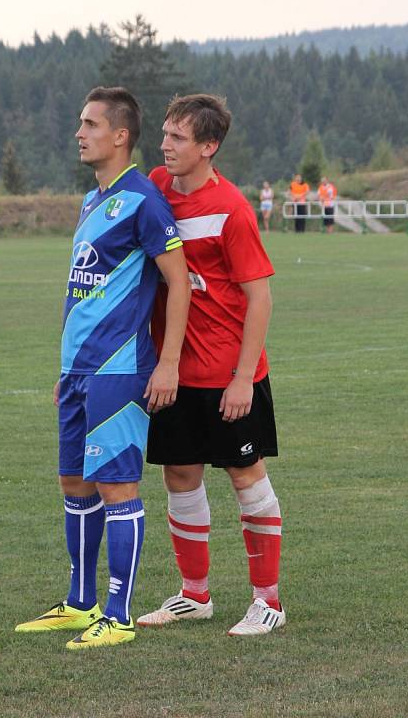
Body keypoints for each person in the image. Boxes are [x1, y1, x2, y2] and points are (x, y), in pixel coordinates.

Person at [15, 87, 190, 650]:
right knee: (74, 481)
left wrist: (166, 365)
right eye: (79, 122)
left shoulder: (143, 201)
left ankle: (119, 613)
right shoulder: (93, 200)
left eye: (89, 124)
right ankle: (80, 602)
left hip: (120, 368)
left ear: (120, 135)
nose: (79, 133)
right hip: (79, 371)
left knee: (117, 486)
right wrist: (66, 366)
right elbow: (83, 292)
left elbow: (179, 282)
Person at [136, 94, 285, 637]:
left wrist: (244, 378)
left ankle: (268, 602)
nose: (165, 146)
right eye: (165, 133)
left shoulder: (234, 210)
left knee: (246, 477)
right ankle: (194, 594)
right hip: (173, 372)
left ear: (208, 146)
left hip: (229, 377)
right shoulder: (156, 187)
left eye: (177, 137)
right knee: (180, 475)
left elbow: (260, 298)